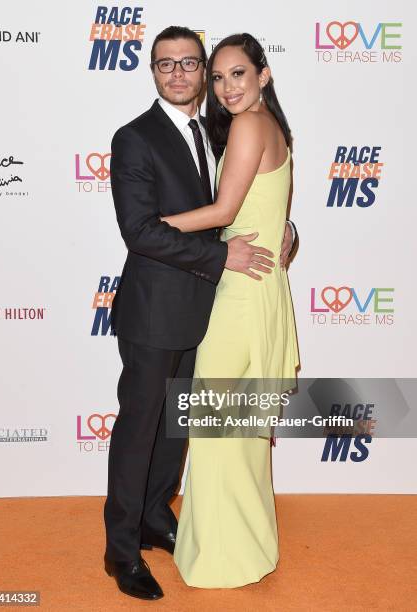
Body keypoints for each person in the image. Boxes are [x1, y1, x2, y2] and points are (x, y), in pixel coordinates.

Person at [104, 26, 296, 601]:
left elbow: (248, 201)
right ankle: (120, 551)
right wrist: (222, 251)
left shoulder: (220, 129)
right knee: (140, 429)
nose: (182, 75)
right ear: (154, 72)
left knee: (179, 429)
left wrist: (284, 229)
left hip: (209, 309)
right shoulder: (135, 137)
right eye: (169, 65)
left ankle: (156, 514)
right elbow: (141, 233)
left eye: (194, 65)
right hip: (156, 310)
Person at [163, 33, 300, 588]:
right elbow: (276, 219)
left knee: (219, 436)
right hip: (261, 293)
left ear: (263, 75)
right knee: (238, 438)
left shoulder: (248, 126)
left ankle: (220, 559)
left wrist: (153, 226)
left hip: (241, 298)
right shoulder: (276, 128)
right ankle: (250, 550)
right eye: (217, 78)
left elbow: (224, 209)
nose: (226, 88)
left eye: (237, 74)